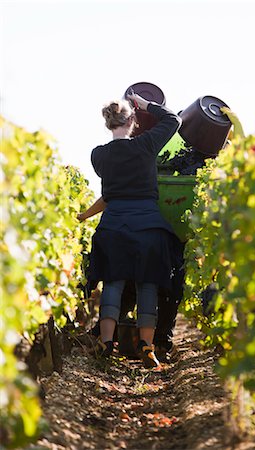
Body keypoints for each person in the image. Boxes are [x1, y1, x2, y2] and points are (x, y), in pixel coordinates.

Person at [82, 92, 182, 369]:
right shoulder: (146, 145)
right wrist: (145, 102)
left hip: (114, 226)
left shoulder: (98, 156)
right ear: (133, 120)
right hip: (148, 226)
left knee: (113, 283)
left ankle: (106, 344)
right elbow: (173, 120)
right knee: (148, 284)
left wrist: (84, 215)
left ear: (108, 123)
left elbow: (111, 194)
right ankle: (146, 347)